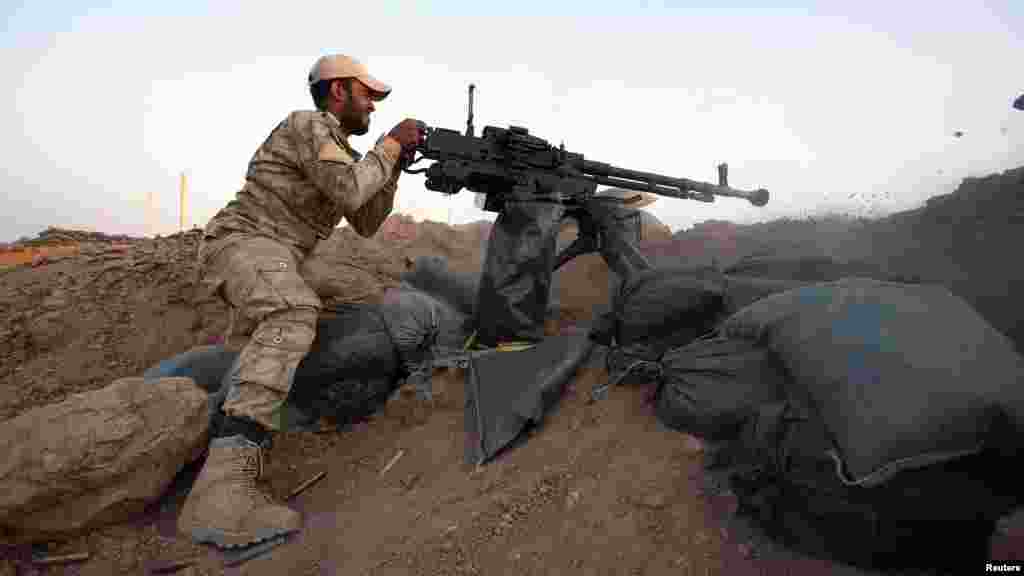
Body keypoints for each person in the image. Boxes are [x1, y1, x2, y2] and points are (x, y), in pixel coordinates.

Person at [178, 54, 424, 549]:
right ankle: (221, 488)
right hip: (245, 240)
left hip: (286, 252)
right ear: (338, 92)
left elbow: (366, 219)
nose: (373, 106)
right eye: (367, 95)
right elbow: (352, 190)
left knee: (357, 296)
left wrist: (393, 165)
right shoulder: (309, 125)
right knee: (293, 311)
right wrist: (390, 145)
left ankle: (263, 385)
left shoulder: (339, 151)